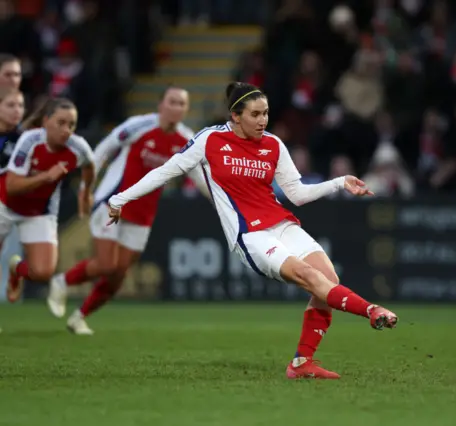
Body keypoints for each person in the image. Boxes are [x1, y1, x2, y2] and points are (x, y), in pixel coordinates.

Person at [106, 82, 399, 379]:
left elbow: (296, 193)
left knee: (329, 280)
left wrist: (339, 182)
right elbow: (164, 171)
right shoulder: (209, 140)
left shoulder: (272, 144)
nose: (263, 121)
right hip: (250, 234)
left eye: (266, 113)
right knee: (311, 279)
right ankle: (372, 310)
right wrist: (119, 199)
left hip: (282, 224)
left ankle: (301, 364)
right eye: (255, 114)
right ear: (235, 116)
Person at [48, 86, 210, 335]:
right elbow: (104, 148)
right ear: (161, 105)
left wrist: (222, 203)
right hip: (113, 203)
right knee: (106, 264)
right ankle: (61, 282)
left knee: (118, 274)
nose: (176, 107)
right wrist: (86, 186)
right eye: (172, 102)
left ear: (186, 110)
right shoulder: (139, 126)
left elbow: (200, 178)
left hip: (143, 216)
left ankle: (79, 317)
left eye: (182, 104)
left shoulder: (186, 140)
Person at [2, 98, 95, 303]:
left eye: (71, 125)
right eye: (60, 123)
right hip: (5, 205)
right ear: (45, 121)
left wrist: (85, 191)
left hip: (39, 211)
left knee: (43, 272)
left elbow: (89, 166)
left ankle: (16, 270)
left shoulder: (78, 147)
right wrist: (46, 176)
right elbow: (11, 186)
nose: (66, 130)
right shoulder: (29, 141)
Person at [0, 85, 25, 334]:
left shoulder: (24, 139)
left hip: (8, 203)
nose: (17, 111)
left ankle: (16, 269)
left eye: (20, 105)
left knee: (43, 269)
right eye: (10, 105)